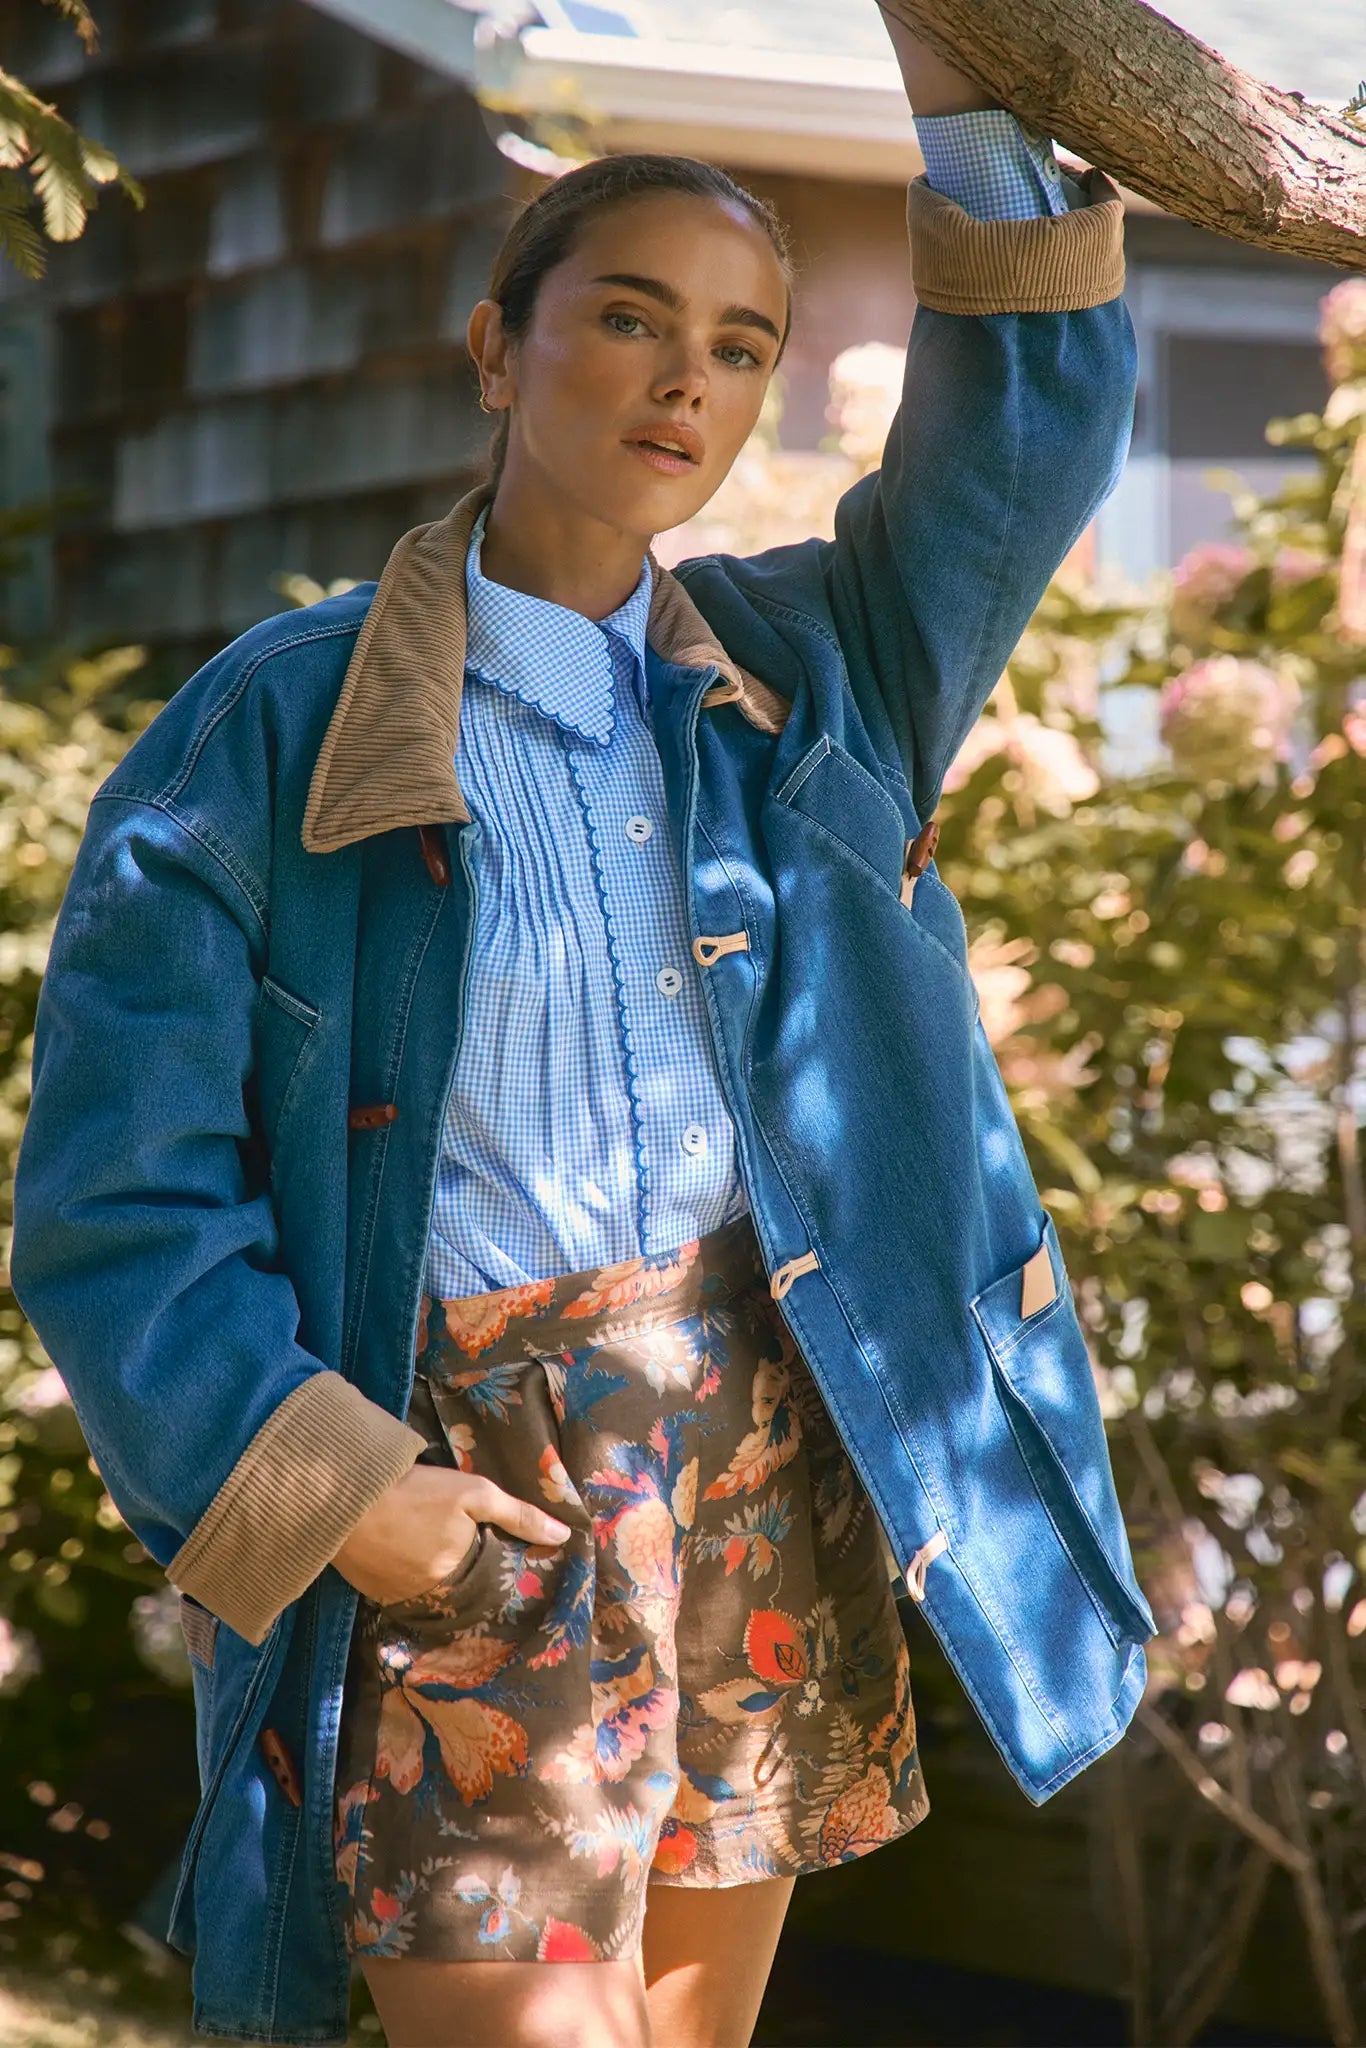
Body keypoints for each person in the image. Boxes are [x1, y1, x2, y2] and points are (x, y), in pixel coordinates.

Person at [10, 8, 1156, 2046]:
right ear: (494, 347)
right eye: (628, 317)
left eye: (733, 345)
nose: (683, 378)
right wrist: (337, 1487)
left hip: (756, 1436)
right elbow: (117, 1195)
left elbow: (1024, 440)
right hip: (473, 1481)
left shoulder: (820, 674)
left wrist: (964, 65)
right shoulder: (271, 730)